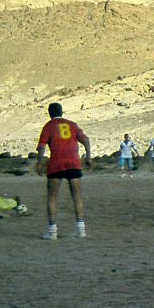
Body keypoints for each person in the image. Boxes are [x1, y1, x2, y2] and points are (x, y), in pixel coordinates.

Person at [36, 102, 92, 240]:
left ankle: (52, 231)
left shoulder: (48, 126)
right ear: (62, 112)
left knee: (52, 197)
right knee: (77, 196)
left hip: (56, 164)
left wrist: (39, 162)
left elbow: (42, 146)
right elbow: (86, 140)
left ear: (49, 113)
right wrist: (89, 157)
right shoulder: (72, 124)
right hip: (73, 163)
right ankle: (81, 230)